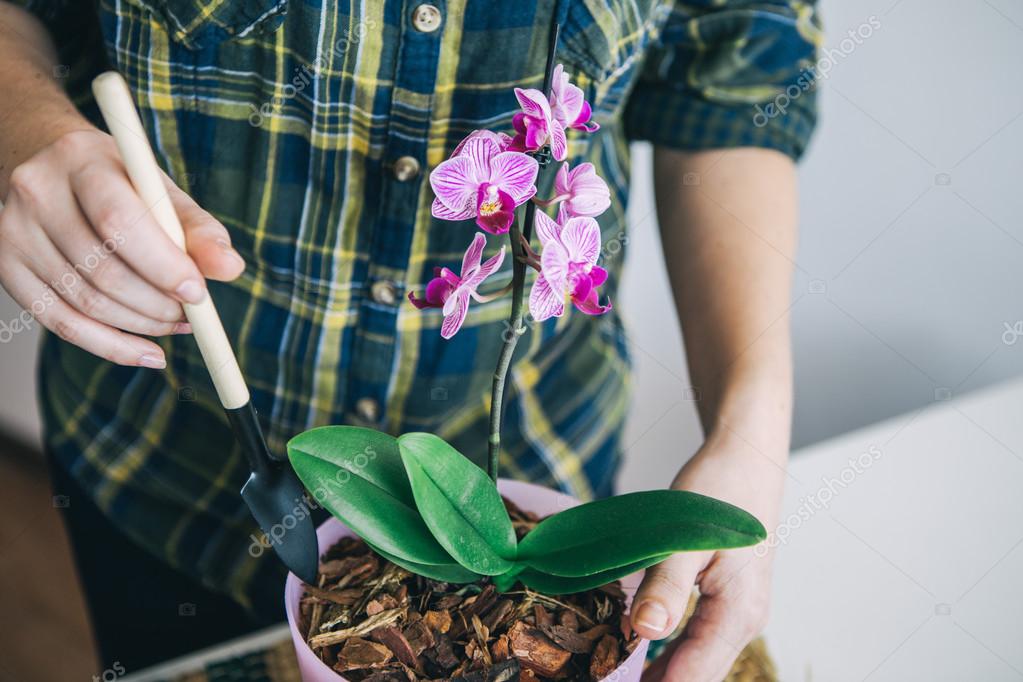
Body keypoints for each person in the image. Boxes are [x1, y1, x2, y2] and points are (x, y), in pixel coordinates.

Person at [0, 0, 819, 678]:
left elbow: (732, 77)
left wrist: (748, 432)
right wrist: (22, 129)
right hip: (165, 462)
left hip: (545, 446)